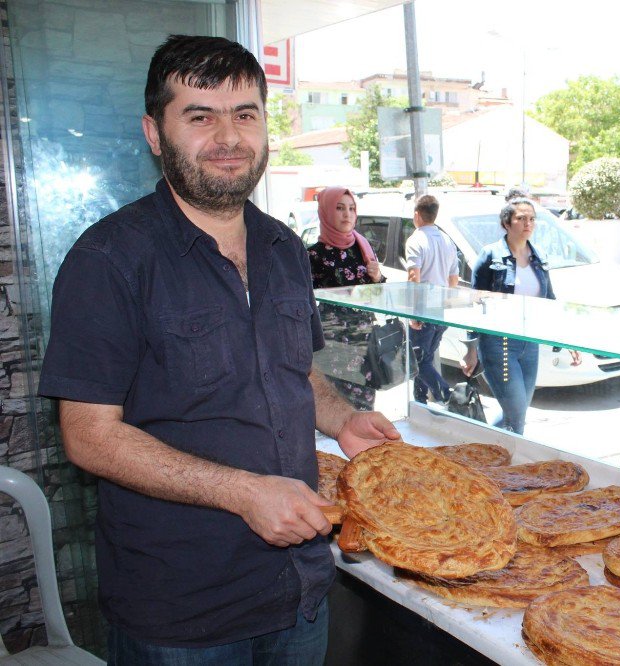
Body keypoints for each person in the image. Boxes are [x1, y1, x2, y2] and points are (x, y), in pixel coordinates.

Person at [37, 35, 400, 662]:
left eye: (245, 114)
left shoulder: (285, 248)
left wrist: (344, 420)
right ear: (155, 133)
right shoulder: (109, 259)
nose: (228, 137)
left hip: (300, 590)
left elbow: (295, 372)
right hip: (182, 613)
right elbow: (89, 436)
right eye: (200, 116)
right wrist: (244, 492)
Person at [462, 198, 580, 434]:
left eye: (532, 218)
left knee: (516, 414)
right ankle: (508, 467)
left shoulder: (539, 257)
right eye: (521, 218)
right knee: (516, 414)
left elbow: (549, 301)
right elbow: (476, 304)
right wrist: (472, 348)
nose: (528, 223)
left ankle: (481, 453)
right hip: (500, 343)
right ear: (507, 223)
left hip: (530, 343)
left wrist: (565, 339)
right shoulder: (490, 255)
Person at [308, 186, 386, 410]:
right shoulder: (313, 255)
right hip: (332, 345)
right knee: (335, 411)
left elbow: (379, 295)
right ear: (326, 212)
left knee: (363, 410)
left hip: (364, 342)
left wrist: (377, 276)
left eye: (352, 208)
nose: (347, 214)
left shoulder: (363, 248)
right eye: (340, 208)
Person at [404, 194, 459, 404]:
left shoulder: (416, 240)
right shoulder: (447, 241)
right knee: (425, 357)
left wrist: (413, 312)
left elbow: (413, 277)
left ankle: (447, 396)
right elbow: (454, 279)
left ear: (417, 215)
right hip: (441, 309)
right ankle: (420, 401)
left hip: (423, 308)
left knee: (418, 360)